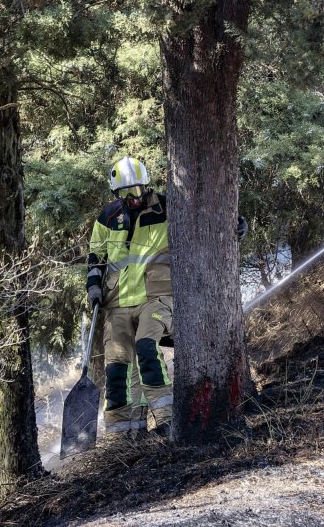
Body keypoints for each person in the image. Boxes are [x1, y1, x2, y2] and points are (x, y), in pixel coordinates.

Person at [86, 156, 246, 439]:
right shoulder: (108, 217)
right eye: (124, 193)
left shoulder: (168, 208)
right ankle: (124, 436)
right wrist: (93, 287)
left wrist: (234, 223)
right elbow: (96, 256)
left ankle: (167, 421)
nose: (131, 198)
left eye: (135, 191)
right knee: (116, 371)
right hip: (116, 302)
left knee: (147, 348)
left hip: (157, 297)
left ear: (146, 185)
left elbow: (205, 218)